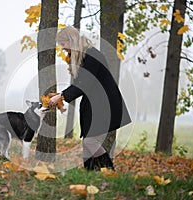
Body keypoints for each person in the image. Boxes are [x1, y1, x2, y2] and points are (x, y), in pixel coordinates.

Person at [48, 26, 131, 170]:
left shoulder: (92, 55)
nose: (62, 48)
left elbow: (84, 83)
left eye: (63, 44)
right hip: (94, 105)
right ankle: (91, 174)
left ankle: (109, 171)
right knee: (88, 143)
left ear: (71, 40)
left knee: (90, 142)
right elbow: (81, 84)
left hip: (105, 105)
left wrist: (61, 96)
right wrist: (61, 95)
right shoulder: (84, 56)